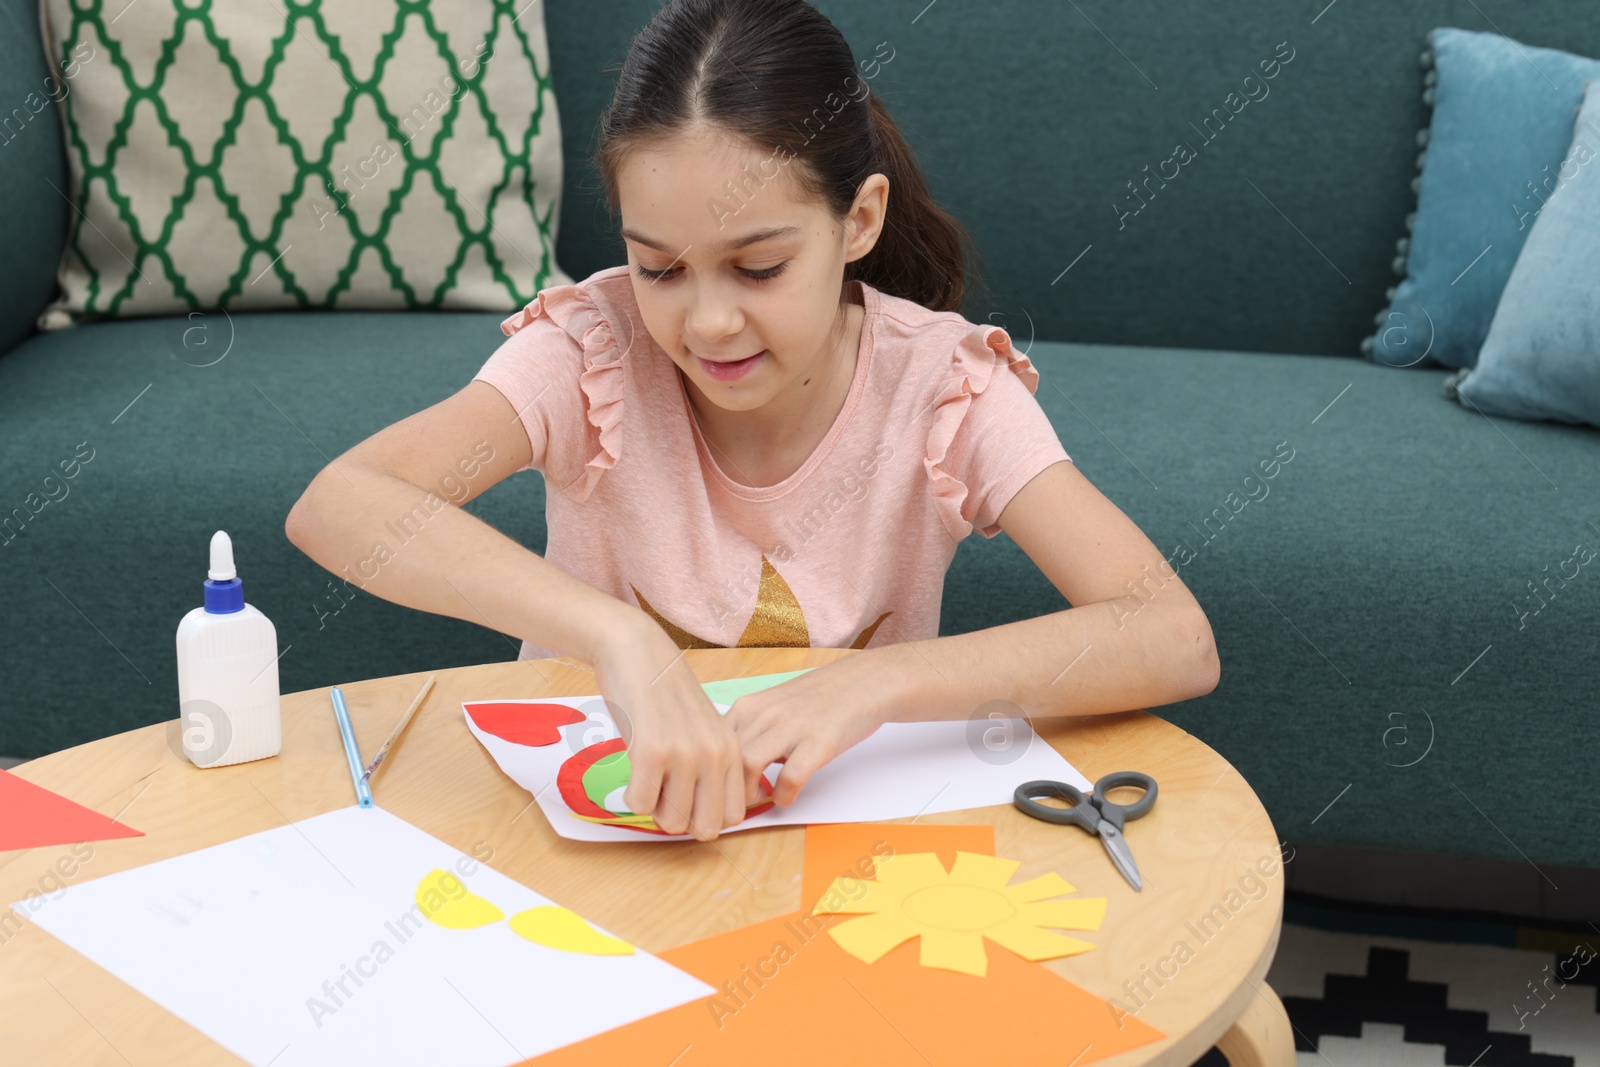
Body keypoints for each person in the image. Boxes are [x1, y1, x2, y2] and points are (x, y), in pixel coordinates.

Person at [286, 0, 1219, 842]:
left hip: (838, 842)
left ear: (859, 221)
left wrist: (878, 683)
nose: (707, 323)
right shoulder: (594, 350)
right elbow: (341, 503)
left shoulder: (941, 385)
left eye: (759, 267)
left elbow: (1173, 634)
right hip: (600, 839)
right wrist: (621, 640)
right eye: (659, 267)